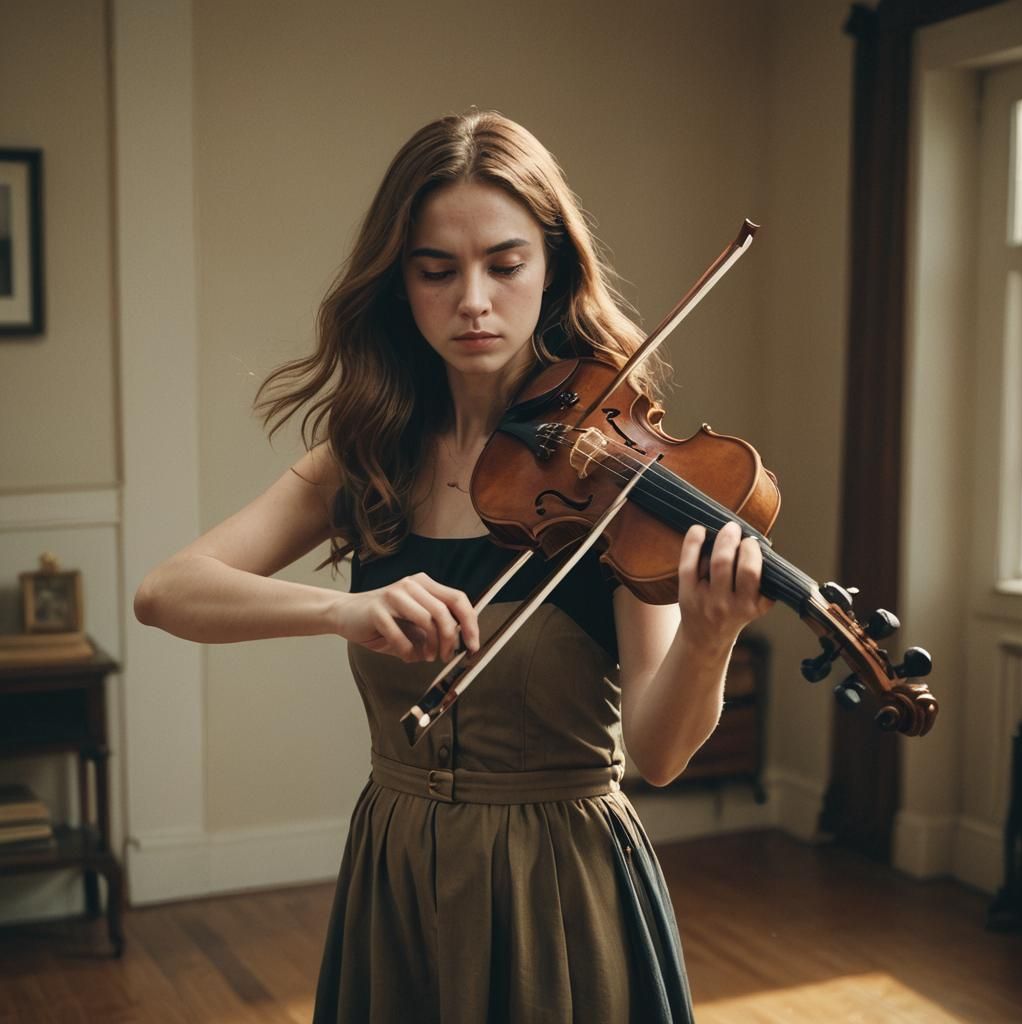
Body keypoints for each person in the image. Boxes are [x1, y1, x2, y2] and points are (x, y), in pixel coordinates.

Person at [134, 109, 772, 1023]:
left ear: (551, 269)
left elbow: (661, 756)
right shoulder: (371, 455)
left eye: (505, 265)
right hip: (396, 874)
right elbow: (166, 593)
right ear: (400, 284)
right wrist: (341, 611)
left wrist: (709, 641)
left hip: (562, 890)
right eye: (437, 270)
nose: (473, 300)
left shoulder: (616, 478)